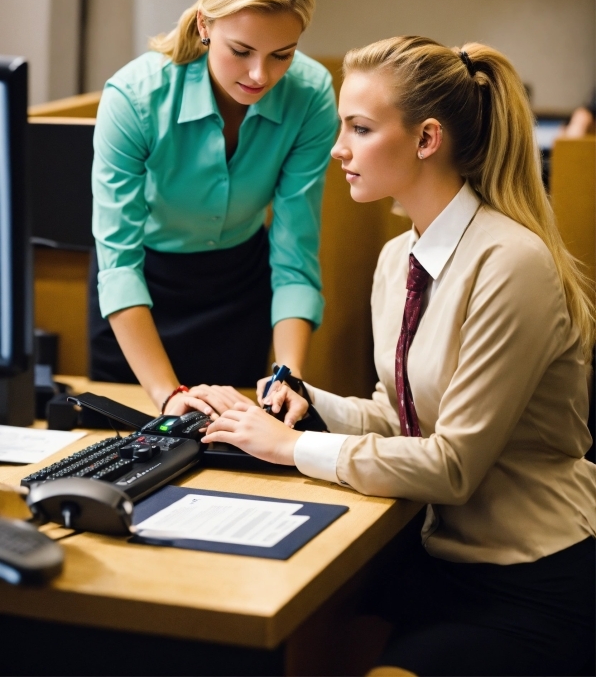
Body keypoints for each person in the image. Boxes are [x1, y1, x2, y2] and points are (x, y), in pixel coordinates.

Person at [196, 36, 596, 676]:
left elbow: (451, 465)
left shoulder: (511, 264)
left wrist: (288, 447)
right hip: (436, 558)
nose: (338, 149)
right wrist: (302, 403)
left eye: (359, 128)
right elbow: (401, 414)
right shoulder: (399, 257)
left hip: (531, 581)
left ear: (427, 139)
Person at [89, 0, 337, 414]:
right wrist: (168, 394)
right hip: (142, 289)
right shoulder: (134, 98)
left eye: (282, 54)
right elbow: (118, 263)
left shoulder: (310, 96)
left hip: (239, 286)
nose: (260, 76)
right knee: (138, 451)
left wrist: (289, 375)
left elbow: (294, 253)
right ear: (205, 23)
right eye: (241, 50)